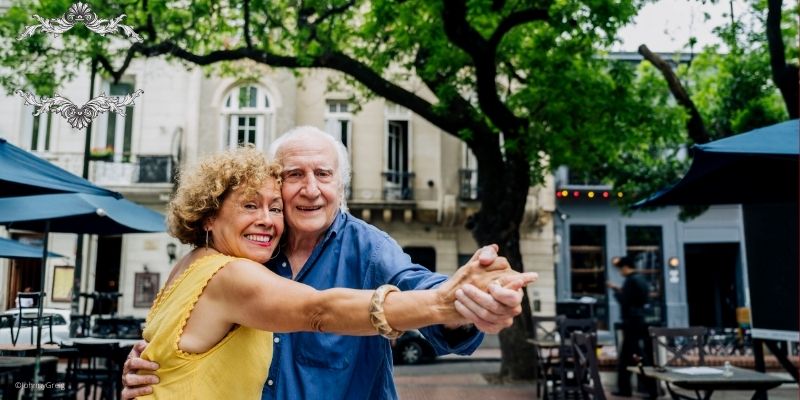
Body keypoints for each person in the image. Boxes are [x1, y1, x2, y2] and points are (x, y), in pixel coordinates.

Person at [123, 127, 531, 399]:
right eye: (294, 175)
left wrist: (460, 305)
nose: (311, 189)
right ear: (274, 182)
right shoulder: (243, 256)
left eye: (323, 173)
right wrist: (152, 370)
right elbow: (316, 310)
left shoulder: (369, 247)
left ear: (341, 185)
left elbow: (414, 285)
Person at [607, 255, 657, 398]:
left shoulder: (630, 281)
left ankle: (649, 390)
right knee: (631, 357)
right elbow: (639, 298)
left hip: (631, 322)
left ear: (625, 267)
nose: (620, 273)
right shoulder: (641, 280)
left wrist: (616, 292)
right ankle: (630, 389)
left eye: (620, 269)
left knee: (635, 357)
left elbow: (625, 301)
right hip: (640, 321)